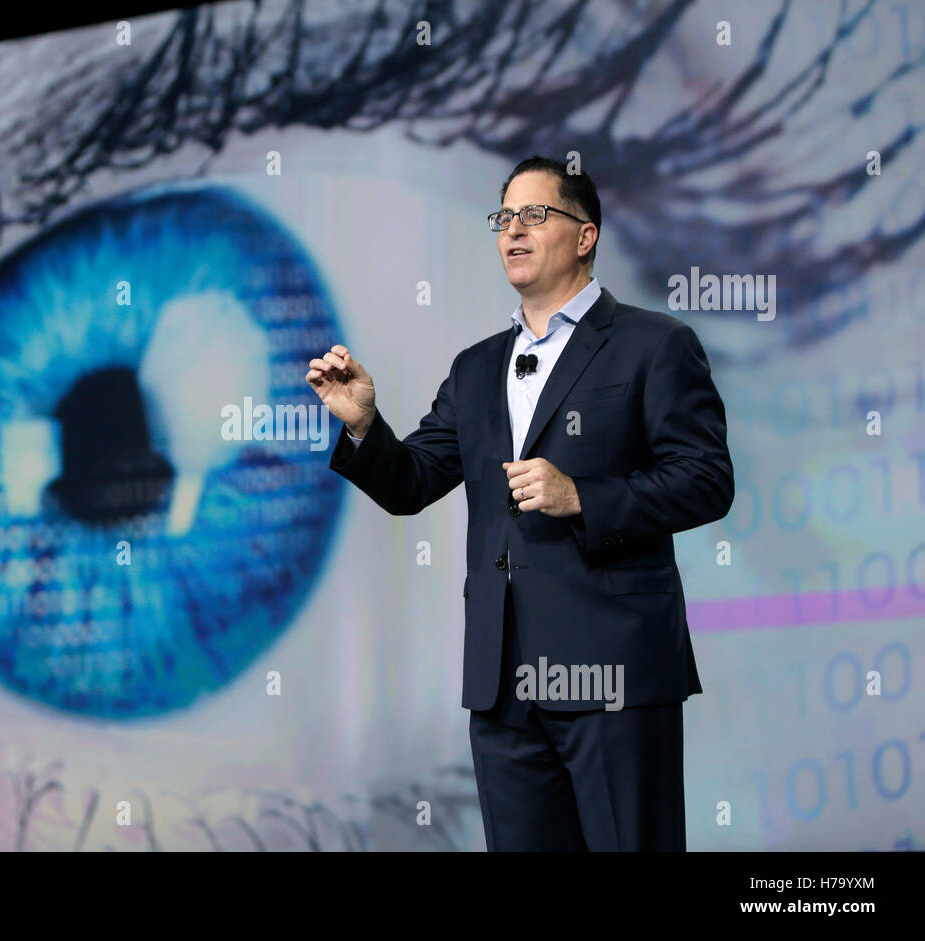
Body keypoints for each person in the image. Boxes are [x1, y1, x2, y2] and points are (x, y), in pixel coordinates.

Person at [305, 155, 734, 851]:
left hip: (615, 675)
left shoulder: (655, 345)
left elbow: (707, 478)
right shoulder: (476, 367)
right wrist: (362, 425)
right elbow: (412, 481)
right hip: (504, 687)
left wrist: (582, 497)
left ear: (586, 234)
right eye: (503, 217)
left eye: (535, 214)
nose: (513, 229)